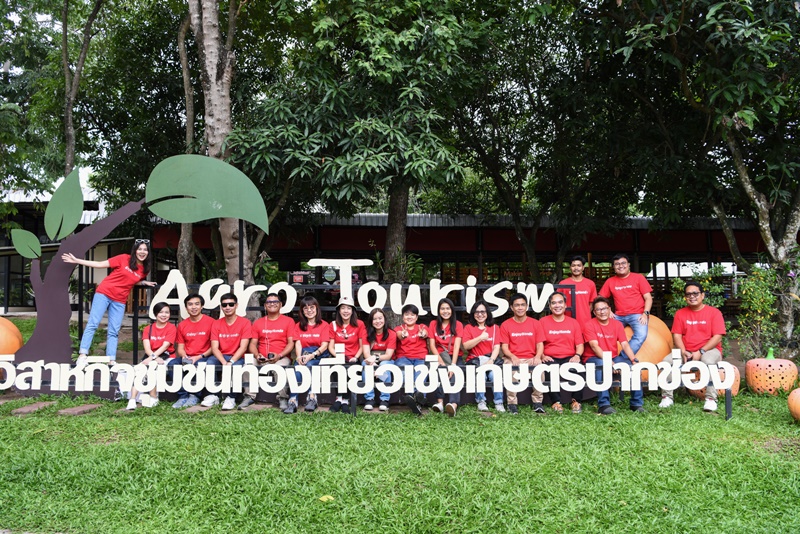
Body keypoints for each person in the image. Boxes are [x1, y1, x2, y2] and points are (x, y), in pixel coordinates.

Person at [62, 239, 157, 365]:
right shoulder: (124, 258)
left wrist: (143, 282)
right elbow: (100, 264)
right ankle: (83, 354)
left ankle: (111, 360)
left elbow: (132, 280)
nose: (142, 252)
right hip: (104, 293)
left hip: (120, 300)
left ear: (148, 252)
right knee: (93, 323)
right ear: (135, 250)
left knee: (114, 331)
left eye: (145, 250)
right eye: (140, 249)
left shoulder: (145, 269)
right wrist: (77, 261)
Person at [659, 281, 726, 412]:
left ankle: (711, 399)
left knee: (708, 361)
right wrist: (683, 351)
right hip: (686, 350)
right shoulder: (680, 313)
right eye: (688, 294)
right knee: (666, 361)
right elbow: (677, 335)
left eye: (695, 293)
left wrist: (701, 351)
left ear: (702, 295)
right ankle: (667, 397)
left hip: (709, 350)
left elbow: (718, 336)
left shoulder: (714, 312)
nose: (692, 296)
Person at [583, 296, 643, 415]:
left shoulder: (617, 324)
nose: (602, 312)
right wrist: (609, 362)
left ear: (609, 309)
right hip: (594, 358)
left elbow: (625, 344)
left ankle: (636, 403)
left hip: (613, 357)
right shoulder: (589, 325)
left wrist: (633, 360)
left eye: (605, 308)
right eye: (598, 309)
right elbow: (594, 346)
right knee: (601, 365)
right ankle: (604, 405)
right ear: (594, 312)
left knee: (633, 367)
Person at [245, 293, 295, 410]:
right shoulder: (258, 322)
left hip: (281, 357)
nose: (272, 304)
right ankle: (249, 396)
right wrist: (257, 355)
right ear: (265, 305)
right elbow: (252, 344)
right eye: (269, 302)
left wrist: (280, 355)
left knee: (280, 368)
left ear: (280, 305)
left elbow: (291, 343)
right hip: (262, 358)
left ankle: (282, 398)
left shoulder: (288, 321)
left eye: (275, 302)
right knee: (248, 365)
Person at [202, 293, 251, 410]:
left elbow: (243, 347)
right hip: (221, 355)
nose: (227, 307)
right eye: (224, 305)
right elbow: (214, 347)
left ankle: (231, 398)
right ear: (221, 307)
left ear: (236, 305)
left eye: (231, 304)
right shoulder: (216, 323)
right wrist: (224, 362)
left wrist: (231, 361)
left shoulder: (245, 323)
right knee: (210, 363)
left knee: (236, 367)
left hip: (237, 356)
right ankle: (213, 395)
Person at [599, 253, 653, 356]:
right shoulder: (610, 281)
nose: (620, 266)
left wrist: (645, 314)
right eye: (617, 264)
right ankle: (605, 357)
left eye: (623, 263)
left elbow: (648, 298)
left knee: (641, 335)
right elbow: (600, 298)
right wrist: (608, 310)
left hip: (637, 314)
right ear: (614, 267)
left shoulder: (639, 278)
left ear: (628, 265)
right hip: (618, 316)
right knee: (604, 334)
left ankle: (623, 357)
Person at [499, 293, 545, 415]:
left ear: (527, 306)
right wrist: (513, 357)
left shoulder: (535, 323)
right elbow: (504, 347)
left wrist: (537, 357)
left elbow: (540, 344)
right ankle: (512, 404)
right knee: (510, 370)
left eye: (522, 305)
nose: (520, 308)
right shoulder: (506, 325)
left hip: (531, 358)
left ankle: (537, 402)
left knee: (539, 368)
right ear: (511, 307)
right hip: (513, 357)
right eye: (517, 305)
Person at [540, 292, 584, 414]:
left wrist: (577, 355)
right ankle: (556, 402)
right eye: (554, 303)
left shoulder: (573, 323)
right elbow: (539, 343)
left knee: (579, 368)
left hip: (569, 357)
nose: (557, 305)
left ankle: (576, 401)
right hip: (550, 357)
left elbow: (580, 345)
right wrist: (542, 355)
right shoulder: (543, 322)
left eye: (560, 302)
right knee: (550, 369)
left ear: (565, 305)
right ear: (550, 306)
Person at [127, 302, 176, 410]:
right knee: (139, 370)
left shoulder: (171, 328)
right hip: (152, 356)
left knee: (152, 368)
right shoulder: (148, 329)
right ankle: (132, 399)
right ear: (155, 314)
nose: (164, 315)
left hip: (167, 357)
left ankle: (153, 397)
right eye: (161, 312)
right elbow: (147, 348)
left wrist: (151, 358)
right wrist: (153, 357)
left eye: (167, 312)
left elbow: (165, 346)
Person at [285, 295, 329, 414]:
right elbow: (298, 343)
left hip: (319, 354)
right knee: (297, 368)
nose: (309, 310)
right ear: (302, 311)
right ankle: (293, 400)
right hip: (304, 353)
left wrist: (312, 355)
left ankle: (312, 398)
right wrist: (299, 357)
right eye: (305, 308)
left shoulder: (324, 325)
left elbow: (325, 345)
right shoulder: (298, 326)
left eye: (312, 307)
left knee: (309, 365)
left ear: (317, 308)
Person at [461, 300, 505, 413]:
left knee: (495, 375)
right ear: (473, 314)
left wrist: (491, 360)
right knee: (481, 376)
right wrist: (480, 337)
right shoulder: (469, 328)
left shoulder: (494, 328)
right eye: (477, 312)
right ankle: (481, 401)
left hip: (490, 360)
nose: (480, 314)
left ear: (487, 313)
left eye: (483, 312)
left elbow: (496, 347)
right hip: (475, 361)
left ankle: (499, 402)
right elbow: (466, 346)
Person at [173, 293, 215, 408]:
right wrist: (184, 356)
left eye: (197, 304)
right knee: (172, 364)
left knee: (198, 365)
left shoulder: (211, 322)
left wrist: (199, 356)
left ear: (202, 306)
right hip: (188, 356)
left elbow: (214, 346)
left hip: (204, 356)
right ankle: (183, 396)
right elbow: (180, 347)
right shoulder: (182, 325)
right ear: (186, 307)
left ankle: (195, 396)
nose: (193, 307)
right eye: (190, 304)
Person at [328, 296, 368, 413]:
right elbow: (330, 346)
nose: (346, 311)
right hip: (338, 356)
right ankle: (338, 399)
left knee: (351, 370)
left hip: (353, 357)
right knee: (337, 369)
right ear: (339, 310)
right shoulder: (333, 325)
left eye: (349, 308)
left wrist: (356, 357)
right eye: (343, 308)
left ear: (353, 311)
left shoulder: (359, 324)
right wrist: (338, 356)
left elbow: (362, 345)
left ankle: (345, 400)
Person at [428, 298, 463, 416]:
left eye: (448, 308)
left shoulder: (458, 324)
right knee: (440, 371)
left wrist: (453, 365)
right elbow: (432, 345)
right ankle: (440, 403)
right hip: (440, 356)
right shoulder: (433, 324)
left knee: (455, 373)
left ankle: (453, 404)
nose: (445, 311)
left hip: (455, 356)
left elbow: (457, 346)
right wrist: (441, 361)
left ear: (452, 310)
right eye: (442, 309)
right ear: (438, 311)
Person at [394, 304, 430, 416]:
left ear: (417, 317)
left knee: (421, 375)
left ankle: (415, 400)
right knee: (407, 372)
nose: (409, 317)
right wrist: (403, 335)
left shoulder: (422, 327)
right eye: (406, 314)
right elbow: (399, 335)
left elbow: (425, 333)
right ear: (403, 317)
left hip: (420, 358)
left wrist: (423, 334)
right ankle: (416, 398)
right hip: (403, 358)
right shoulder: (399, 328)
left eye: (412, 314)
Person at [363, 308, 397, 412]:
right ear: (371, 321)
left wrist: (376, 358)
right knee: (365, 365)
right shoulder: (366, 332)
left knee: (384, 365)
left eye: (380, 318)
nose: (378, 321)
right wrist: (372, 363)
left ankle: (384, 399)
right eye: (375, 319)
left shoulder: (391, 333)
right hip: (370, 359)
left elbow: (388, 355)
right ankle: (369, 398)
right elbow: (366, 353)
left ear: (384, 319)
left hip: (386, 359)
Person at [559, 255, 597, 327]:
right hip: (567, 320)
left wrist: (585, 313)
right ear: (570, 267)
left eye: (579, 265)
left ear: (583, 268)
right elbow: (558, 302)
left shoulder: (590, 284)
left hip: (585, 321)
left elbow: (592, 302)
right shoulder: (563, 284)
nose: (576, 268)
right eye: (573, 265)